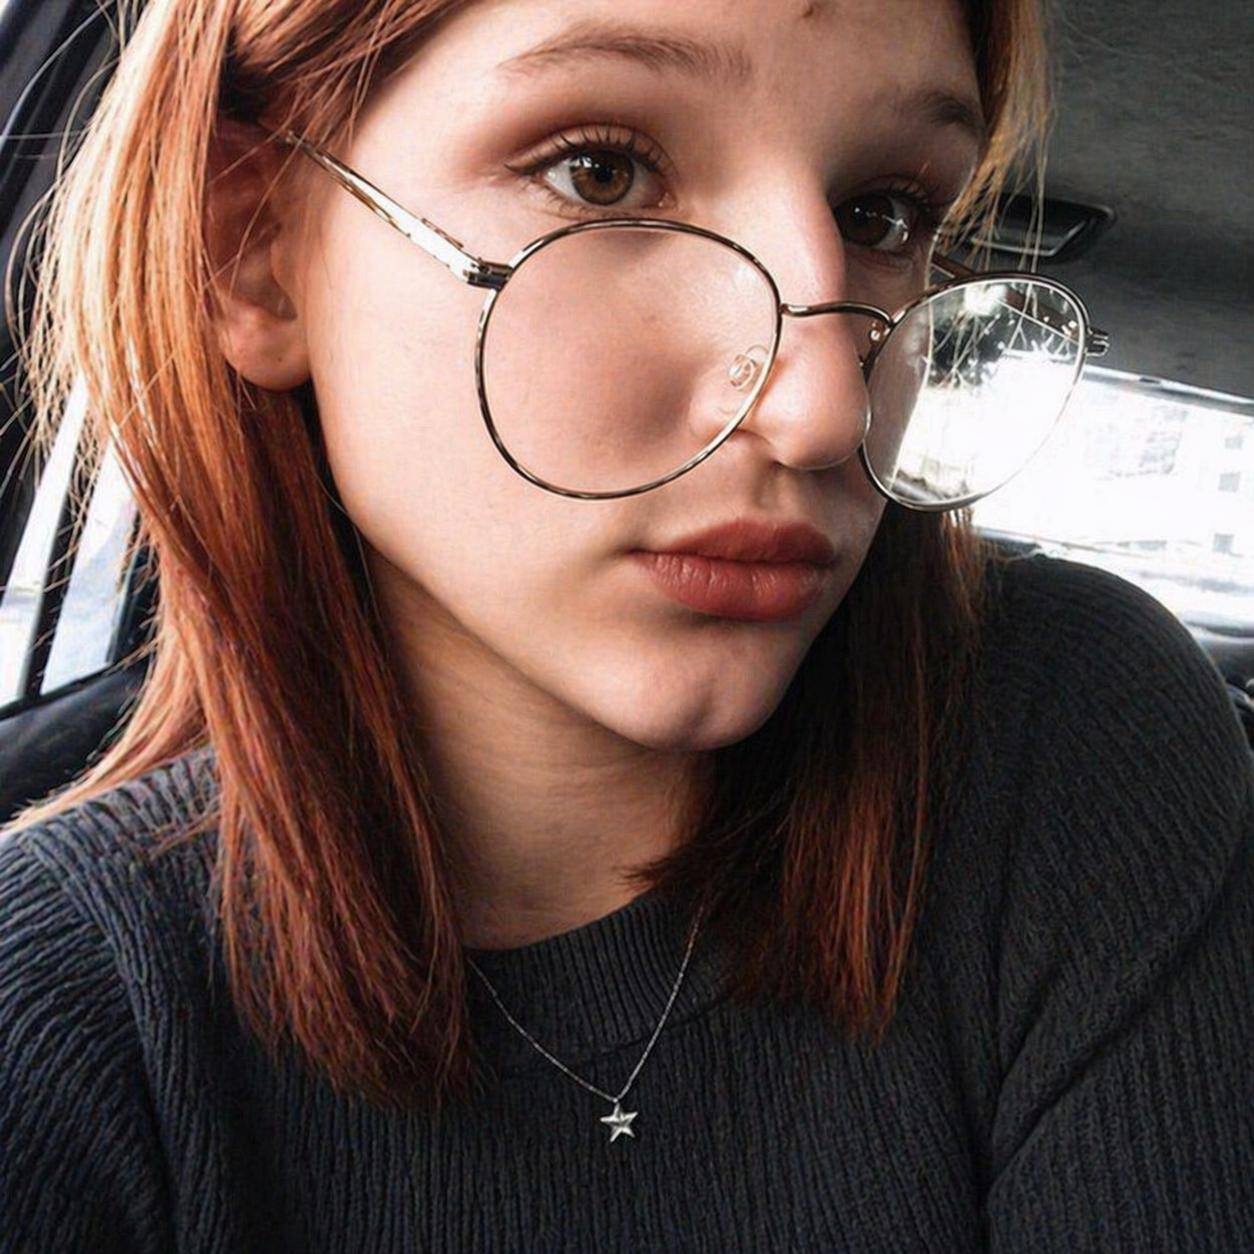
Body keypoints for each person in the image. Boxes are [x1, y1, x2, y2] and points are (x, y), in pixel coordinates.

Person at [1, 0, 1250, 1249]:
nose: (824, 408)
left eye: (881, 214)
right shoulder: (56, 1015)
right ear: (253, 244)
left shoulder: (1070, 739)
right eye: (600, 174)